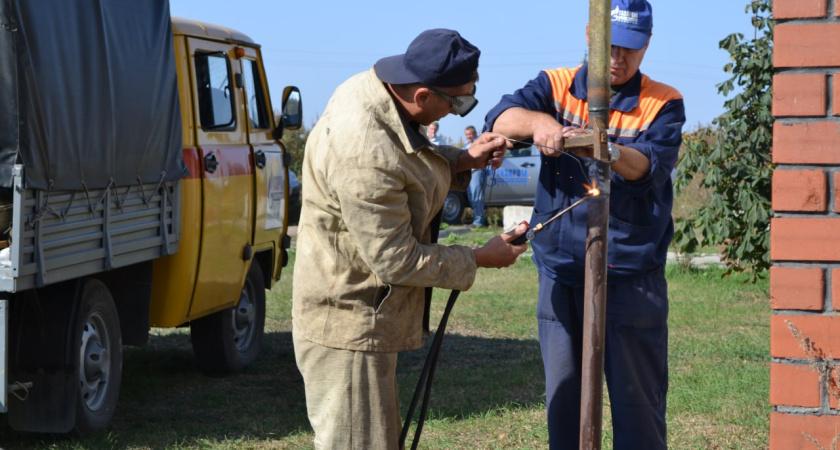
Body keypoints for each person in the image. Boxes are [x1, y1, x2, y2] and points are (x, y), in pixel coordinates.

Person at [292, 28, 528, 450]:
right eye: (458, 102)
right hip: (348, 327)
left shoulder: (374, 92)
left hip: (366, 315)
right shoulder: (365, 151)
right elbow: (395, 260)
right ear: (421, 96)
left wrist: (461, 160)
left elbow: (408, 162)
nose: (461, 113)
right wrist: (477, 258)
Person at [484, 0, 685, 448]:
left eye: (630, 49)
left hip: (630, 281)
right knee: (564, 402)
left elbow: (649, 165)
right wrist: (540, 123)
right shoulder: (554, 85)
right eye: (609, 46)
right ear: (590, 36)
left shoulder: (662, 102)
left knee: (639, 408)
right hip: (561, 275)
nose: (617, 58)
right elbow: (501, 116)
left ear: (647, 44)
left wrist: (609, 150)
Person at [463, 125, 487, 227]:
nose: (469, 136)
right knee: (472, 197)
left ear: (475, 133)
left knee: (477, 196)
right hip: (468, 173)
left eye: (470, 134)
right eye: (467, 134)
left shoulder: (480, 144)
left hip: (477, 171)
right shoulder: (466, 146)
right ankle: (478, 220)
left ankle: (478, 222)